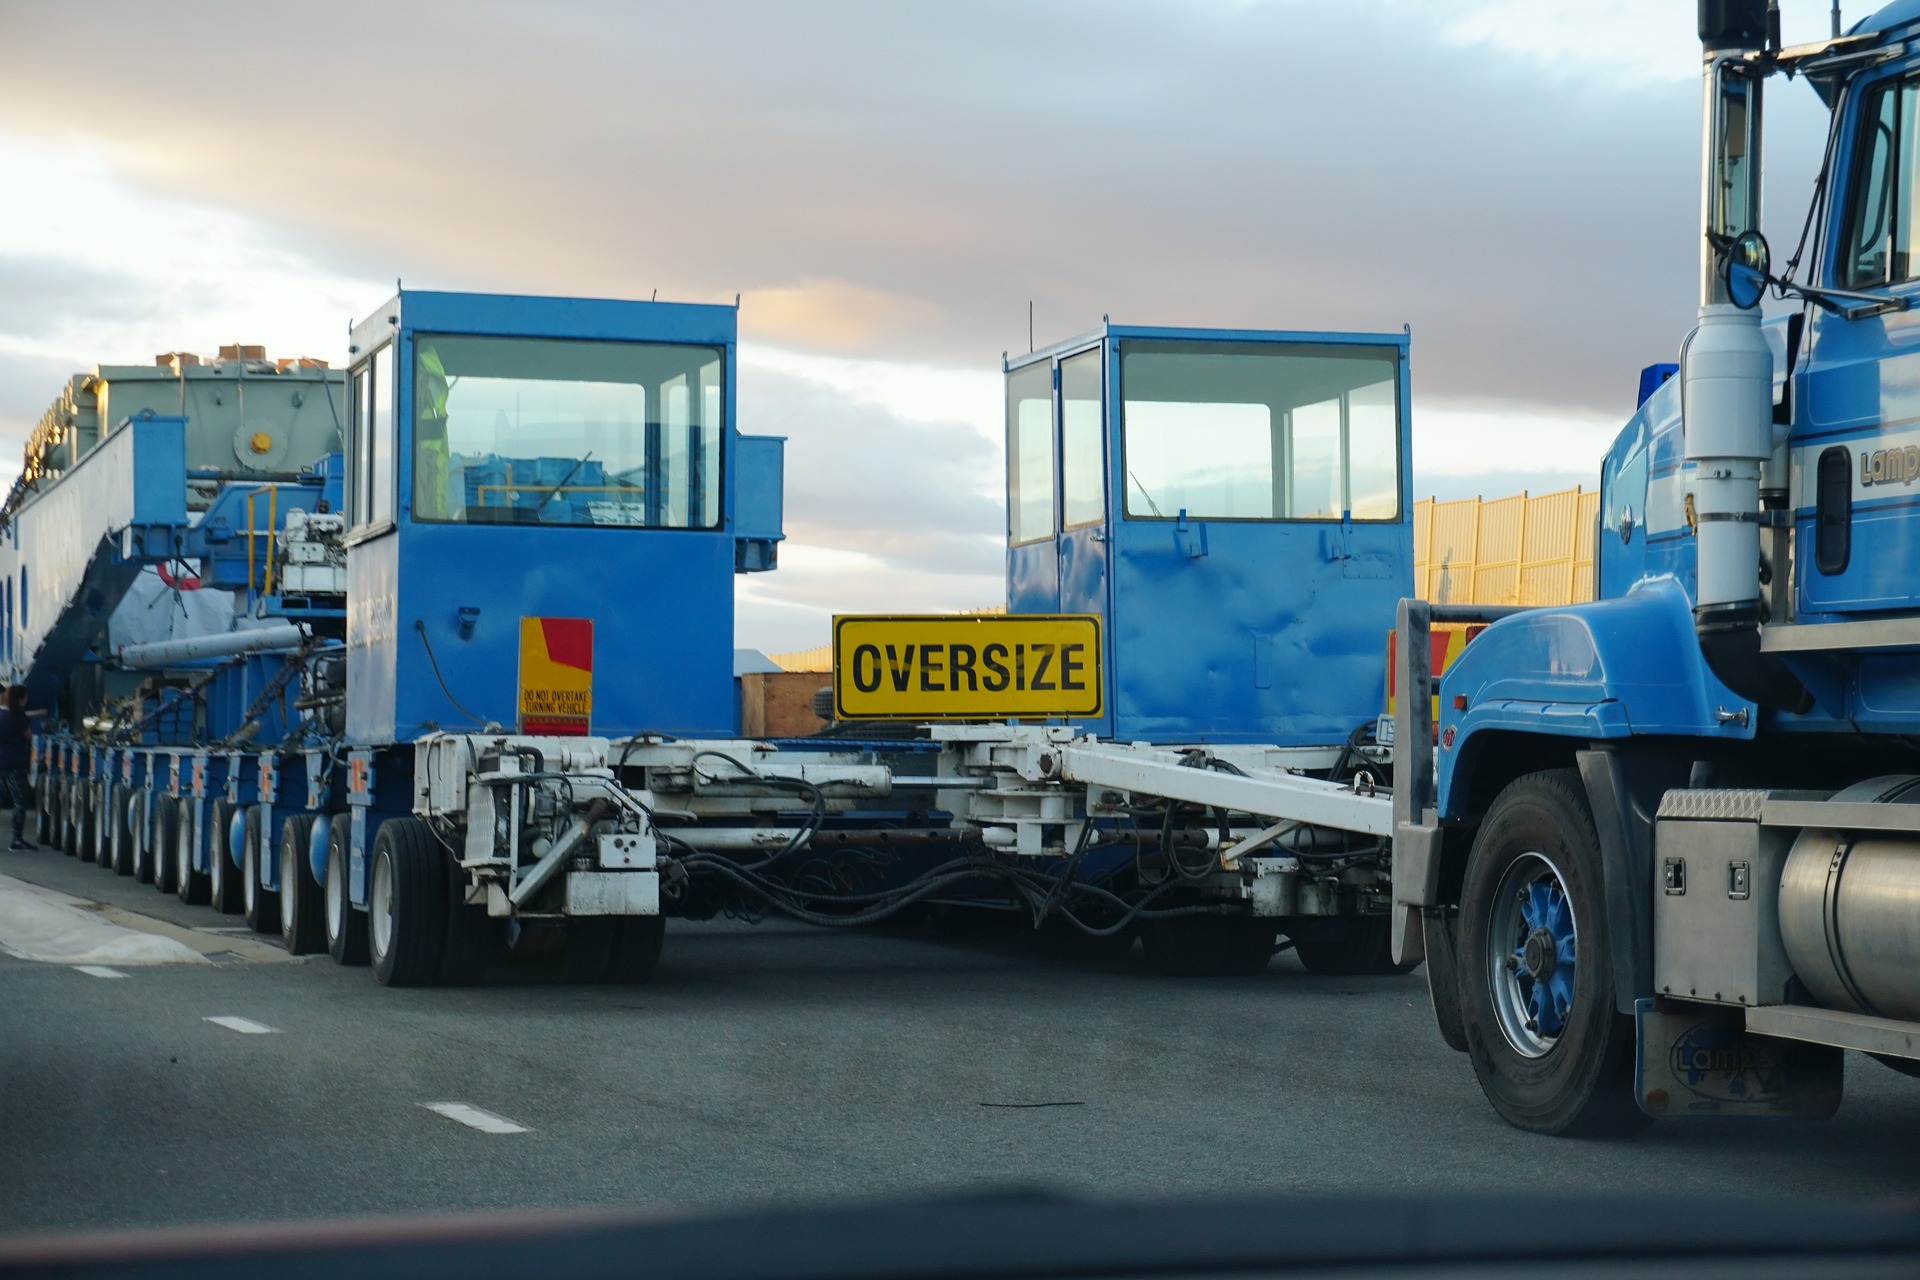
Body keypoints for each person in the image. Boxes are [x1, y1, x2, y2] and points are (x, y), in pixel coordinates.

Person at [0, 685, 44, 851]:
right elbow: (29, 737)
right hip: (16, 764)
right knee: (19, 802)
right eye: (25, 698)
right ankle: (16, 840)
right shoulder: (17, 718)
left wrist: (37, 712)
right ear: (20, 699)